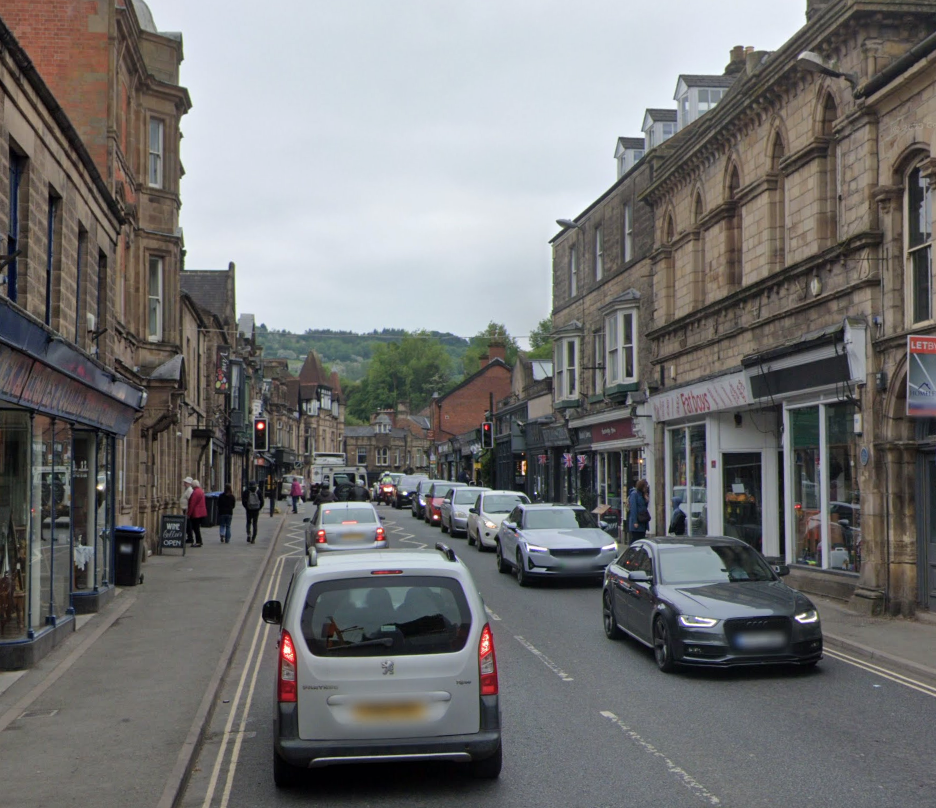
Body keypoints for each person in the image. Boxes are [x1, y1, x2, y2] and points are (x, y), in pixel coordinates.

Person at [187, 479, 207, 547]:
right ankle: (199, 541)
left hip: (196, 513)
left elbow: (192, 503)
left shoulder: (195, 492)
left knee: (196, 528)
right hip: (200, 512)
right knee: (196, 528)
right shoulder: (200, 491)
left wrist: (189, 514)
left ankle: (198, 541)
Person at [180, 476, 195, 545]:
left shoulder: (189, 490)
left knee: (188, 524)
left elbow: (190, 501)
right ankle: (189, 537)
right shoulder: (187, 489)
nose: (184, 484)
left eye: (185, 482)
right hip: (185, 509)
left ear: (189, 483)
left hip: (186, 509)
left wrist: (187, 510)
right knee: (187, 524)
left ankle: (190, 538)